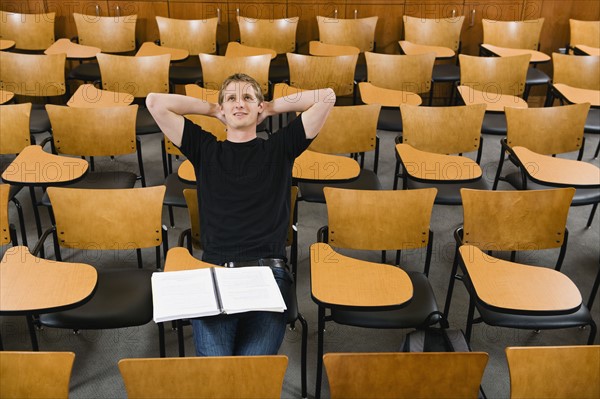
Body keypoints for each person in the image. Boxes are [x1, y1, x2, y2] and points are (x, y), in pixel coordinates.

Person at [146, 74, 335, 356]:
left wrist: (270, 107)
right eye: (231, 98)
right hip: (215, 272)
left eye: (248, 97)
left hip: (269, 272)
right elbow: (155, 102)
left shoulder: (279, 147)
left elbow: (327, 96)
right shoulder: (205, 148)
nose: (239, 103)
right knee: (217, 369)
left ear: (259, 107)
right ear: (222, 108)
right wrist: (213, 109)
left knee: (252, 371)